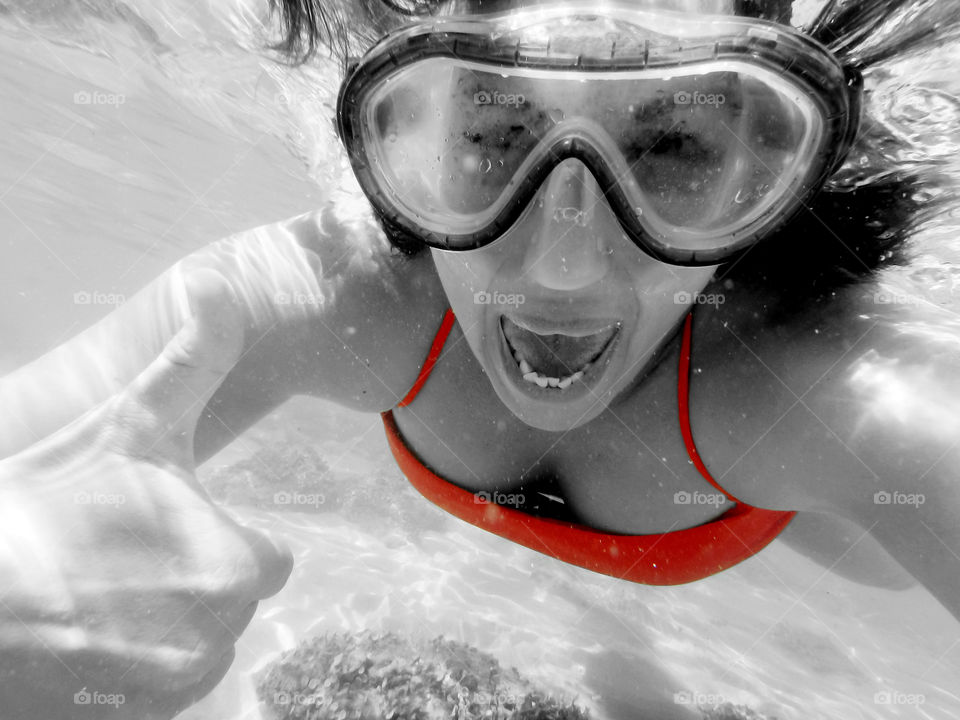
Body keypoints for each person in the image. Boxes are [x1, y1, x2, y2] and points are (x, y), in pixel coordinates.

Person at [0, 0, 957, 717]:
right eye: (498, 134)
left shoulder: (839, 392)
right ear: (410, 143)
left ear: (771, 169)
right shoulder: (341, 292)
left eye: (670, 145)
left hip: (798, 511)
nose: (562, 268)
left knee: (856, 541)